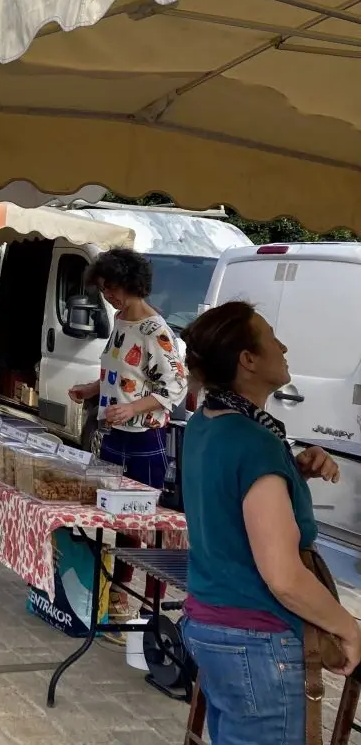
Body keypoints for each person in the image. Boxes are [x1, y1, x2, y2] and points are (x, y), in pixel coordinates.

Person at [179, 301, 359, 744]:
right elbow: (283, 577)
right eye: (271, 337)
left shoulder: (209, 421)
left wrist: (290, 472)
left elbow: (230, 499)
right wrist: (348, 626)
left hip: (213, 624)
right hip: (256, 638)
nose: (283, 345)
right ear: (248, 360)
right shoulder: (253, 440)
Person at [68, 248, 187, 622]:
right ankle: (112, 591)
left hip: (143, 442)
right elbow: (122, 375)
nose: (107, 295)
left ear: (132, 283)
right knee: (113, 520)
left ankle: (145, 604)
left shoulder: (156, 331)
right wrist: (92, 389)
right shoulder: (120, 321)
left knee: (143, 525)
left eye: (112, 287)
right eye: (103, 288)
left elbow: (175, 387)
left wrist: (134, 409)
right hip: (113, 435)